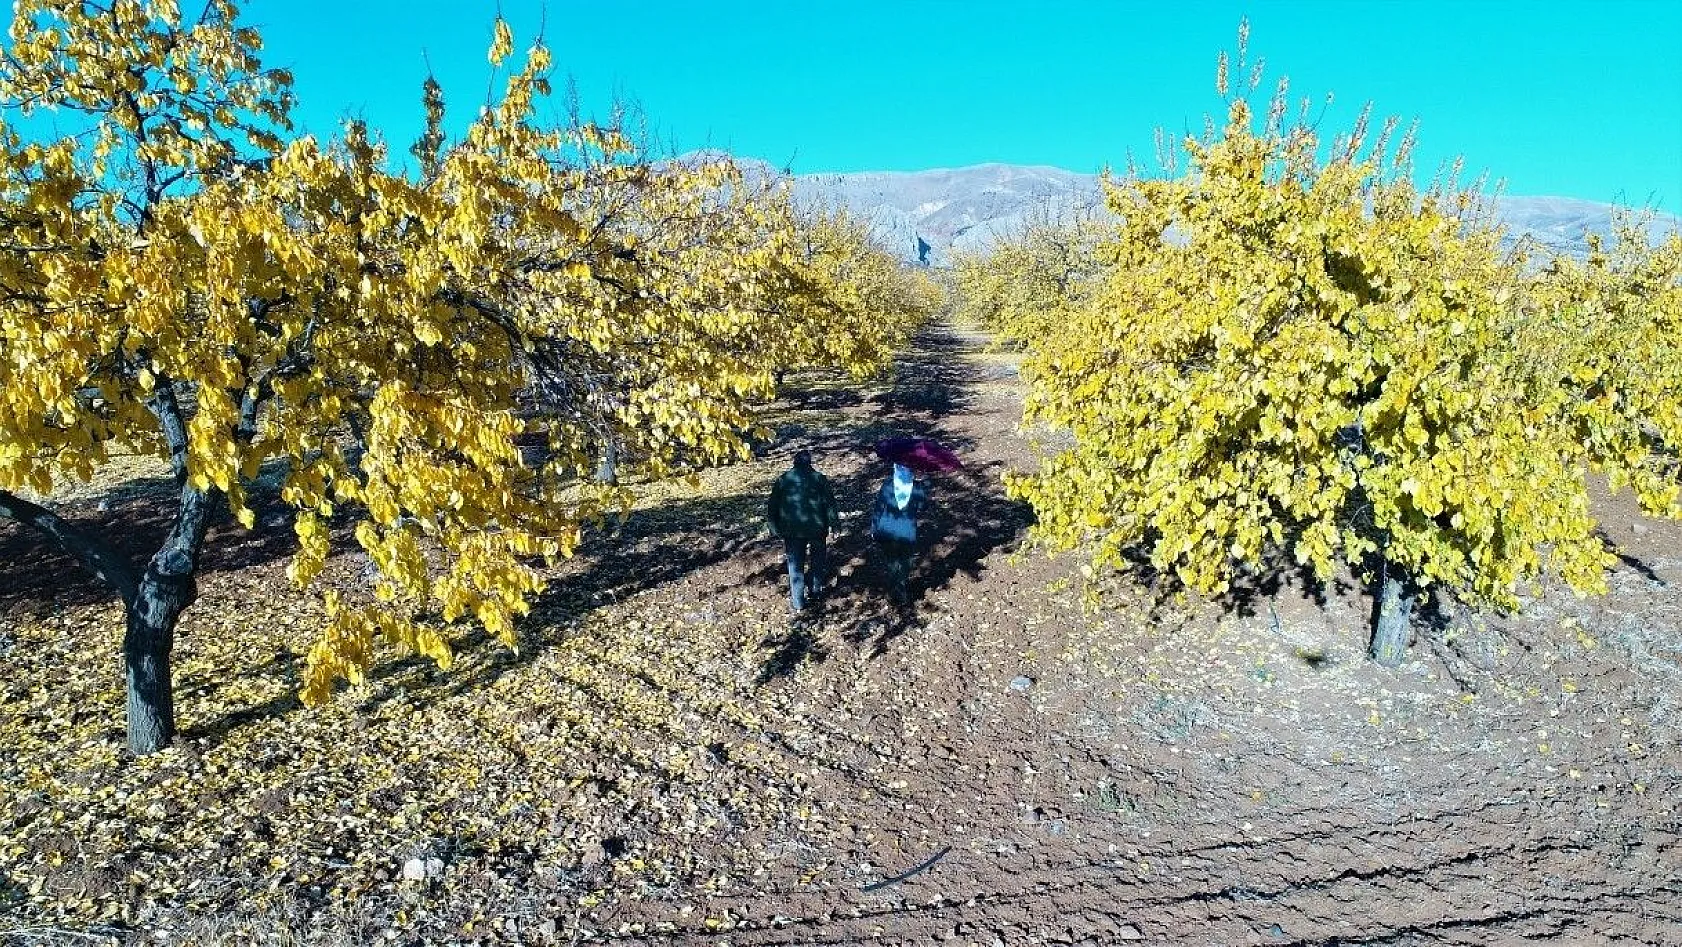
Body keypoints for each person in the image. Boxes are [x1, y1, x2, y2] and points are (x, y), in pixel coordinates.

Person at [766, 449, 838, 612]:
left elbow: (773, 505)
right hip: (817, 528)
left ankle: (798, 602)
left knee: (795, 565)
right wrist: (835, 524)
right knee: (818, 560)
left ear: (794, 462)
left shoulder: (783, 480)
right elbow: (830, 504)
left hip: (792, 531)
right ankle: (815, 591)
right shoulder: (819, 479)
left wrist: (773, 526)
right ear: (809, 463)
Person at [870, 462, 928, 605]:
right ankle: (900, 590)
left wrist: (874, 528)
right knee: (905, 563)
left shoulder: (888, 484)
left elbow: (879, 508)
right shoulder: (917, 487)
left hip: (887, 530)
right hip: (907, 533)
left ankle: (893, 590)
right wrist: (925, 481)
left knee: (892, 562)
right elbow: (923, 507)